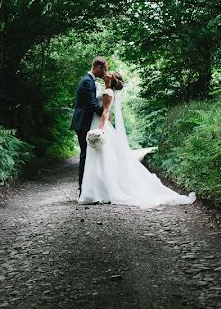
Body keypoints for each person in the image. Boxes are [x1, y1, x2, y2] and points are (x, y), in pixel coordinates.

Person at [77, 69, 195, 207]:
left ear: (112, 80)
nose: (106, 73)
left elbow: (104, 113)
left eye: (110, 73)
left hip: (101, 126)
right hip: (98, 124)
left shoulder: (108, 92)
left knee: (103, 159)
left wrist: (100, 130)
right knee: (102, 160)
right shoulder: (106, 90)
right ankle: (99, 191)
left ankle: (102, 192)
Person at [71, 56, 107, 196]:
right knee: (85, 155)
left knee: (88, 155)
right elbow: (92, 104)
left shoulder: (90, 81)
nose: (104, 72)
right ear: (98, 67)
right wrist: (105, 114)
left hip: (86, 122)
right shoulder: (87, 81)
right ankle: (83, 189)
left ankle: (88, 188)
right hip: (83, 123)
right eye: (104, 69)